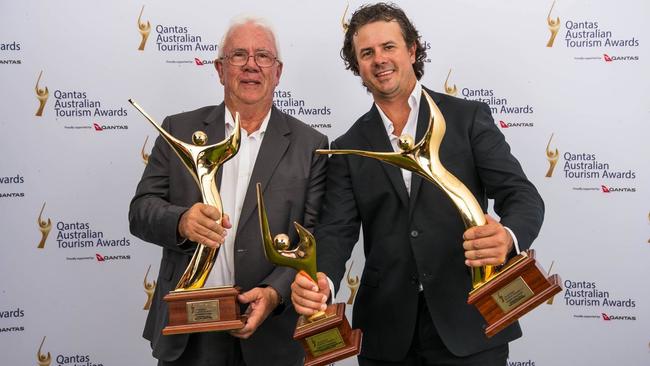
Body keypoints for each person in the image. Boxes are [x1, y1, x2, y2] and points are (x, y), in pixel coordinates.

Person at [290, 3, 544, 366]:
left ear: (411, 50)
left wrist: (507, 238)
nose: (379, 59)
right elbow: (336, 230)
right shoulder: (347, 146)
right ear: (357, 66)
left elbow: (521, 195)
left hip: (471, 320)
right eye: (367, 53)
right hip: (386, 332)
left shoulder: (466, 118)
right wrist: (323, 283)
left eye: (389, 47)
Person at [129, 15, 328, 366]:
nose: (251, 65)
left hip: (271, 332)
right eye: (239, 55)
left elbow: (312, 235)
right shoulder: (179, 129)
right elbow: (141, 211)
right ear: (221, 69)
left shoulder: (310, 145)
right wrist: (181, 221)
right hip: (188, 330)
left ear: (277, 72)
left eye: (263, 56)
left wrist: (274, 293)